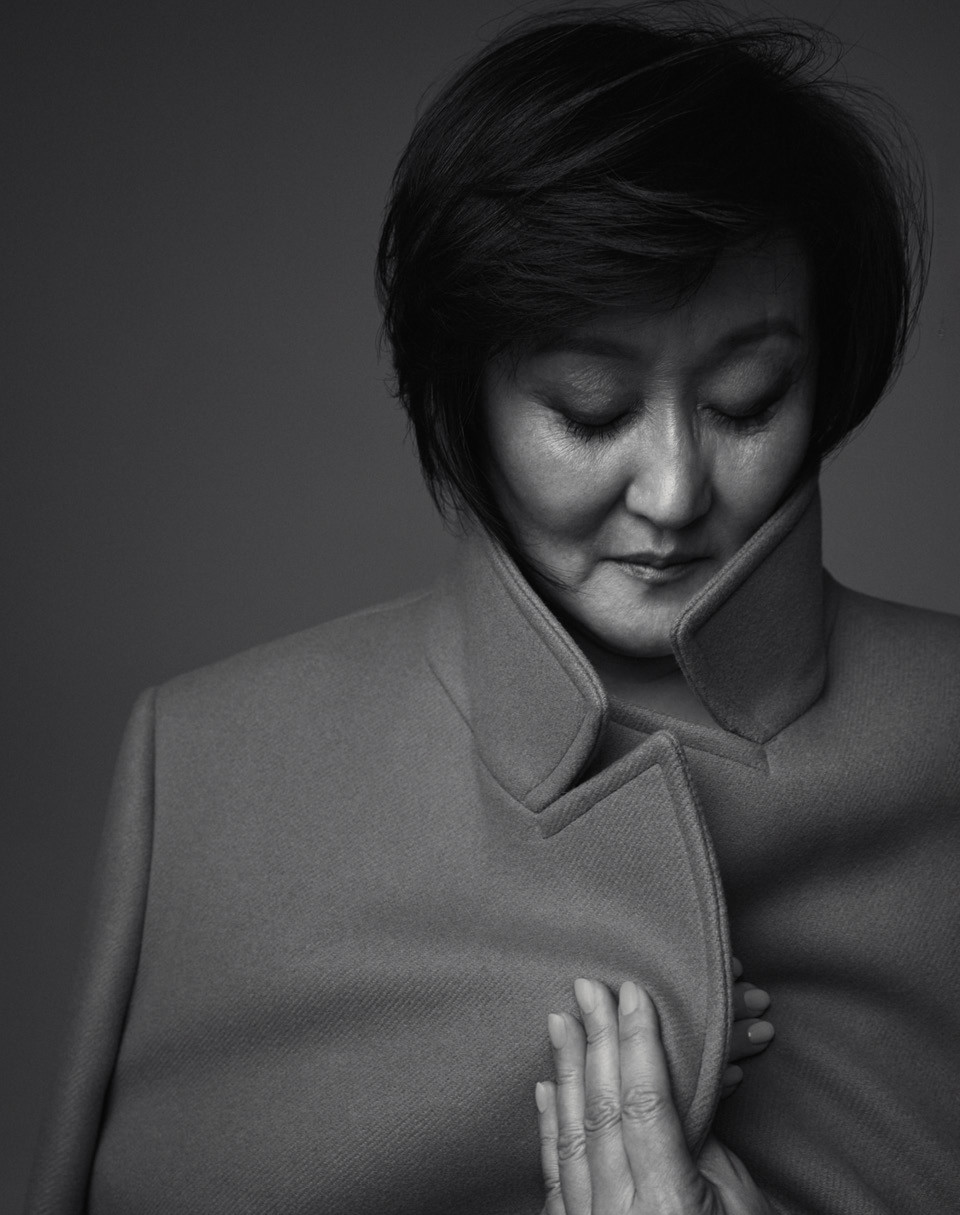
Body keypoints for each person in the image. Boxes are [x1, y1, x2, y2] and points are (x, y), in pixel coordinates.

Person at [25, 6, 960, 1214]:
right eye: (589, 410)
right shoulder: (202, 766)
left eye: (747, 400)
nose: (675, 490)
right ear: (466, 396)